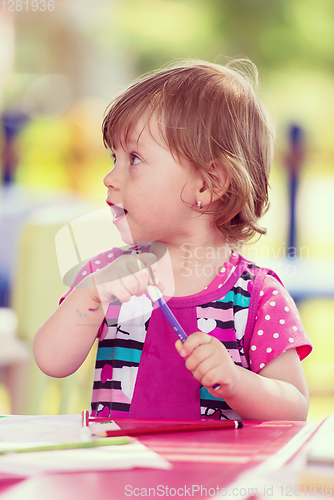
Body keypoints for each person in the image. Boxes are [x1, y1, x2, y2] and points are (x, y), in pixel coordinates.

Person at [34, 59, 312, 421]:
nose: (109, 178)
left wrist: (236, 381)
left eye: (133, 158)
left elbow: (294, 408)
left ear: (207, 184)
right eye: (113, 157)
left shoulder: (256, 296)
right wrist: (90, 293)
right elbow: (51, 361)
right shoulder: (109, 275)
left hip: (217, 479)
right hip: (119, 474)